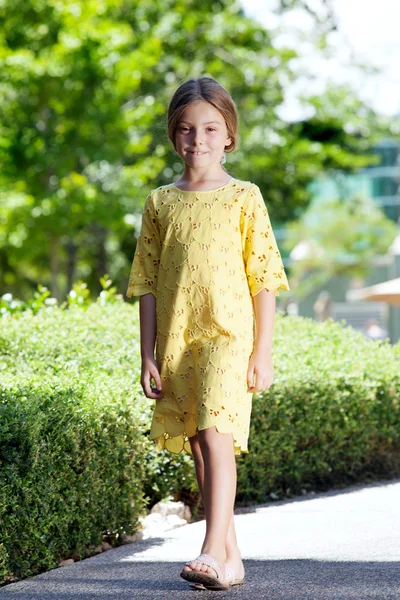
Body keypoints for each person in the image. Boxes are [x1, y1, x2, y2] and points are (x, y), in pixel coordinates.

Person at [126, 76, 290, 591]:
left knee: (217, 433)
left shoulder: (245, 197)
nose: (198, 139)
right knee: (199, 440)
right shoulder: (160, 203)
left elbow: (264, 278)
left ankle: (208, 548)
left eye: (210, 128)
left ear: (229, 135)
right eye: (187, 129)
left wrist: (262, 351)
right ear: (174, 135)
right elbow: (147, 283)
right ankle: (231, 559)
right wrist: (147, 354)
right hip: (177, 339)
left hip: (228, 337)